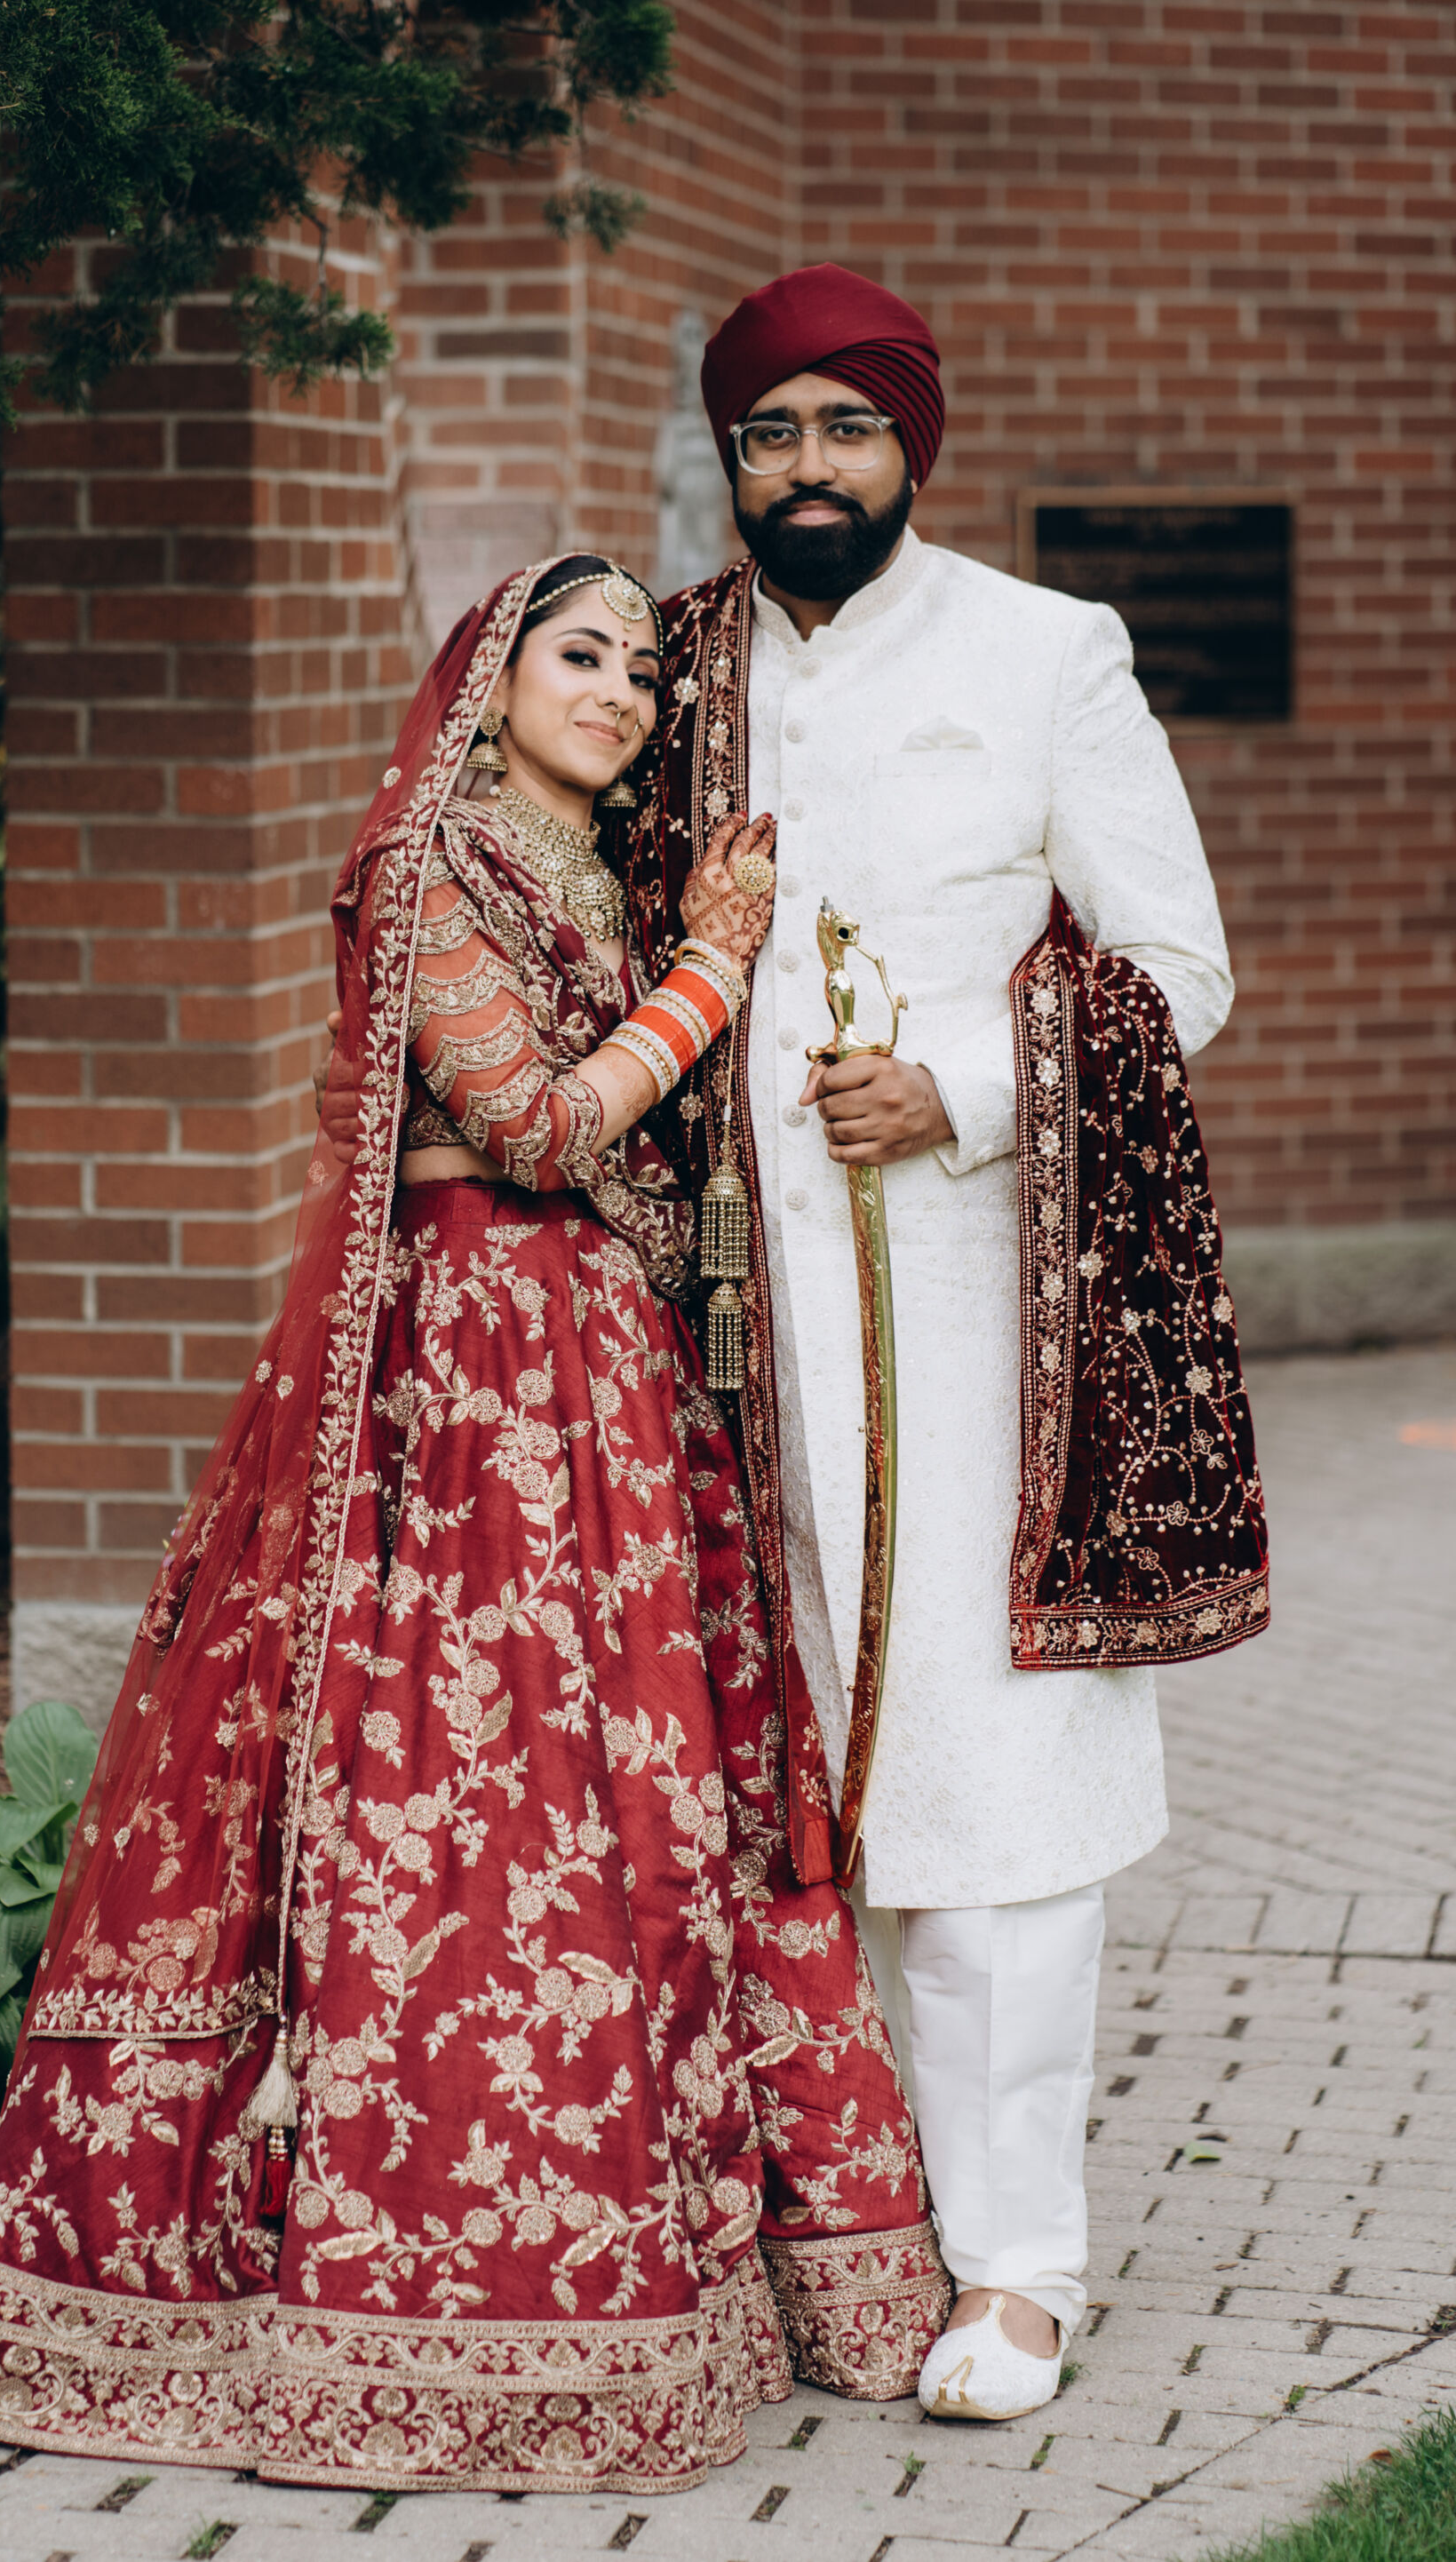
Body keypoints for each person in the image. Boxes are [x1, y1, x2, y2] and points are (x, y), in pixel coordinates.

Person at [0, 553, 950, 2492]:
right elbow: (538, 1125)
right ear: (491, 679)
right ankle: (399, 2293)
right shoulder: (430, 867)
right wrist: (713, 969)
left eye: (645, 672)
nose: (622, 692)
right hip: (465, 1381)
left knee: (638, 1791)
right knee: (472, 1780)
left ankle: (694, 2264)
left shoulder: (607, 882)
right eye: (583, 655)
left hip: (611, 1377)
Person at [626, 269, 1270, 2423]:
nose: (807, 467)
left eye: (846, 426)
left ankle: (1017, 2263)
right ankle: (827, 2223)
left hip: (978, 1314)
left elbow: (1176, 967)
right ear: (731, 460)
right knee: (766, 1781)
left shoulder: (1041, 651)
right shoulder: (670, 666)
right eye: (770, 432)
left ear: (911, 443)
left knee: (988, 1789)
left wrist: (969, 1093)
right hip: (710, 1319)